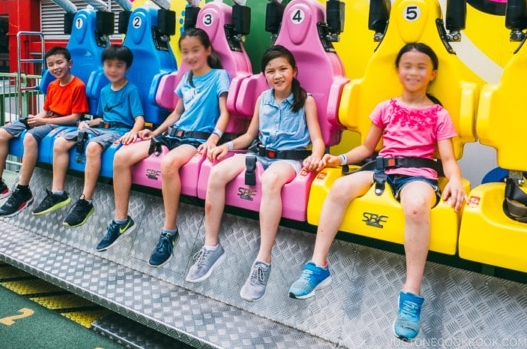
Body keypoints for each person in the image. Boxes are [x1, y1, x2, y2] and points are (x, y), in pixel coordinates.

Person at [287, 42, 466, 342]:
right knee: (340, 186)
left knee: (416, 207)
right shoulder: (386, 107)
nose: (413, 71)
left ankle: (411, 293)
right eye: (407, 65)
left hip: (417, 174)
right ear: (398, 71)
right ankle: (318, 265)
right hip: (381, 169)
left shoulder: (438, 114)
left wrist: (456, 181)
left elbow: (447, 159)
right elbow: (366, 148)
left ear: (432, 73)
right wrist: (339, 159)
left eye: (421, 66)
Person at [186, 45, 325, 302]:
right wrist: (225, 146)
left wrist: (316, 155)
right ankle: (211, 246)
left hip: (289, 159)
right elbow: (250, 136)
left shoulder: (306, 100)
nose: (277, 75)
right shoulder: (263, 99)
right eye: (270, 71)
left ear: (294, 71)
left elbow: (317, 139)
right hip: (259, 155)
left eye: (283, 69)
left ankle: (263, 260)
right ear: (265, 76)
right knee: (217, 174)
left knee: (271, 180)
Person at [95, 27, 230, 261]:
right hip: (172, 135)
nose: (190, 56)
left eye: (195, 50)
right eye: (185, 52)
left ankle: (169, 232)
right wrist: (154, 132)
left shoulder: (219, 76)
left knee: (168, 163)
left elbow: (224, 113)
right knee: (121, 157)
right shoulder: (185, 79)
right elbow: (176, 112)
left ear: (207, 50)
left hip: (196, 139)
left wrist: (214, 138)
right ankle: (121, 220)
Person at [31, 45, 145, 227]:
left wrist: (133, 132)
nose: (113, 70)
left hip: (119, 130)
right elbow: (100, 118)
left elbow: (139, 118)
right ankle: (58, 193)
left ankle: (86, 201)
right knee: (61, 142)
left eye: (118, 66)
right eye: (109, 65)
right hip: (102, 128)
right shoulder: (104, 91)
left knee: (92, 146)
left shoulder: (131, 90)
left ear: (127, 69)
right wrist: (87, 123)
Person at [0, 46, 89, 217]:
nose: (55, 67)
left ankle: (23, 190)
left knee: (30, 137)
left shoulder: (78, 85)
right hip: (48, 119)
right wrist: (30, 120)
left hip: (63, 123)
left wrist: (42, 122)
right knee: (3, 132)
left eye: (59, 62)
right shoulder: (53, 85)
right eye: (50, 64)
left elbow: (75, 117)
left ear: (69, 63)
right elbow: (45, 111)